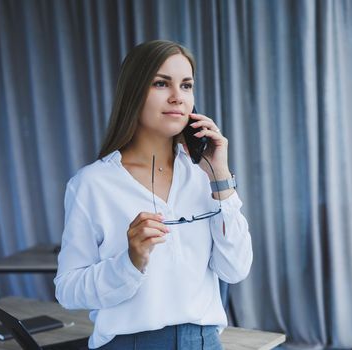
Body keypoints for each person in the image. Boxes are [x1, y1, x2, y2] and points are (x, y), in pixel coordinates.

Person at [54, 40, 253, 350]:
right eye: (161, 83)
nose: (177, 97)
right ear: (134, 93)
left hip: (203, 342)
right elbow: (67, 291)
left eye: (186, 86)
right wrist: (130, 261)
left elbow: (235, 269)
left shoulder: (205, 176)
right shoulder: (92, 184)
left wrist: (221, 177)